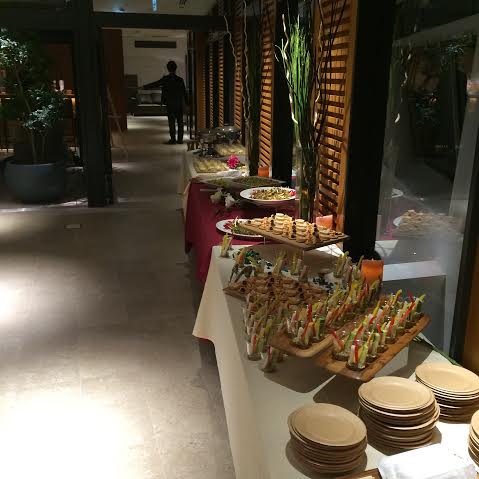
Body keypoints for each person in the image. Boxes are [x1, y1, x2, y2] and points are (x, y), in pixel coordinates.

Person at [143, 60, 188, 144]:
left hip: (170, 103)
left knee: (171, 122)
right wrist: (187, 103)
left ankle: (173, 139)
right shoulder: (180, 80)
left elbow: (156, 84)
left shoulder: (166, 79)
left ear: (168, 69)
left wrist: (144, 87)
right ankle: (180, 139)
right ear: (176, 68)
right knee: (180, 122)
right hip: (178, 104)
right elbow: (184, 92)